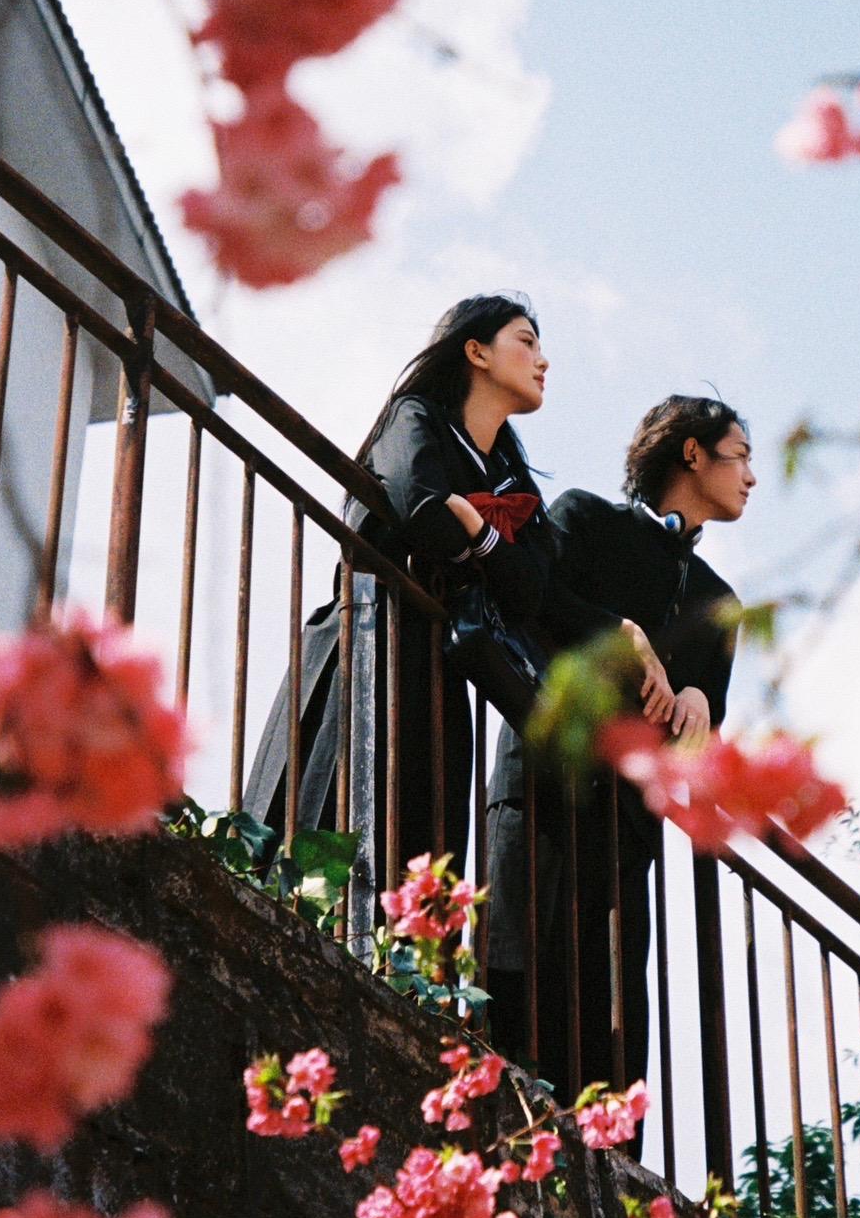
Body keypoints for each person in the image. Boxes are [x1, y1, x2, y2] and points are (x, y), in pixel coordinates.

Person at [244, 295, 672, 885]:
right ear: (477, 352)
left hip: (439, 671)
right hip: (369, 640)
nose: (543, 361)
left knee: (418, 847)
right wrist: (487, 548)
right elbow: (422, 512)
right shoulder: (414, 417)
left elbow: (532, 589)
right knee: (327, 810)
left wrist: (622, 628)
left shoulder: (511, 476)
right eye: (527, 342)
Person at [487, 396, 755, 1115]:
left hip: (624, 834)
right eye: (740, 454)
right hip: (543, 790)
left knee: (605, 1032)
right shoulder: (584, 519)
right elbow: (534, 605)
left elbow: (702, 734)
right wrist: (621, 635)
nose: (752, 477)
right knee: (508, 979)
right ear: (692, 454)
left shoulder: (718, 601)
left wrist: (700, 702)